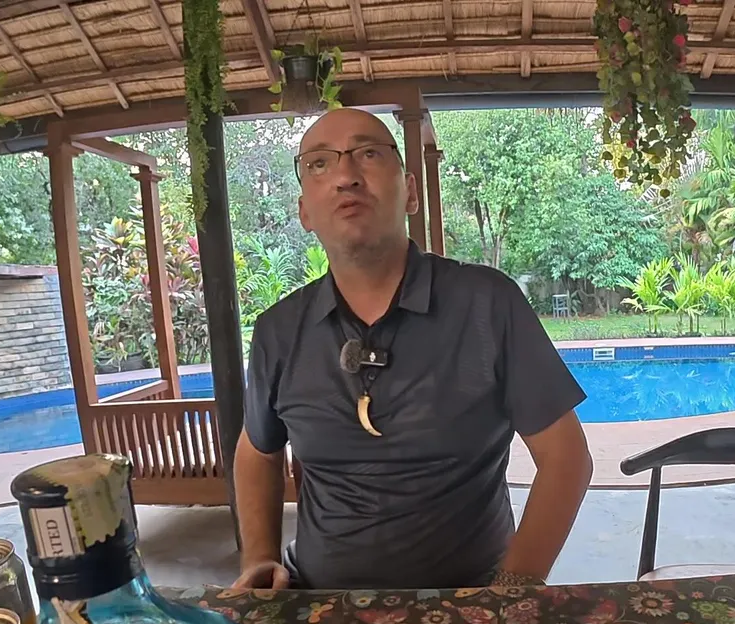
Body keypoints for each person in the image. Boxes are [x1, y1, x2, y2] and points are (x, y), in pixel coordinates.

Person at [230, 109, 594, 591]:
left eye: (368, 153)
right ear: (304, 213)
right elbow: (257, 449)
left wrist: (511, 589)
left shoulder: (487, 304)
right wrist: (258, 557)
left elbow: (566, 457)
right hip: (317, 600)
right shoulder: (278, 330)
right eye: (319, 163)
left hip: (470, 599)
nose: (345, 175)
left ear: (411, 192)